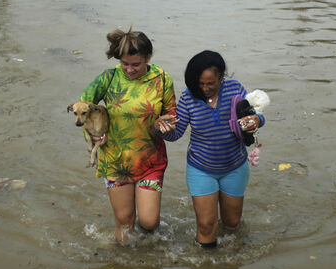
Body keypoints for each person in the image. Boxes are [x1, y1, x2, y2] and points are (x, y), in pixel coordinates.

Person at [154, 51, 264, 248]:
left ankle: (231, 259)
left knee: (232, 224)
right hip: (201, 169)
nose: (204, 88)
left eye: (210, 83)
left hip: (235, 167)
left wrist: (257, 120)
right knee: (206, 225)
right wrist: (159, 127)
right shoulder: (188, 98)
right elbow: (176, 134)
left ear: (221, 77)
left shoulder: (236, 90)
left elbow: (254, 116)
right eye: (200, 83)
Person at [80, 28, 175, 243]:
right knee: (124, 222)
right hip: (115, 160)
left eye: (136, 64)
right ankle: (124, 268)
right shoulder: (109, 77)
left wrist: (164, 124)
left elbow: (172, 113)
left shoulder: (161, 78)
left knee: (149, 222)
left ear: (148, 57)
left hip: (151, 160)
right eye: (125, 64)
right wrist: (94, 136)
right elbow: (82, 107)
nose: (129, 70)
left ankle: (150, 253)